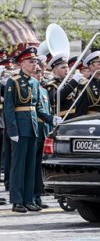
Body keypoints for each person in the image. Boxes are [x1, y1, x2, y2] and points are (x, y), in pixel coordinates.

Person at [4, 46, 57, 213]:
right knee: (18, 166)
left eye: (35, 61)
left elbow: (38, 108)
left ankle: (29, 199)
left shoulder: (35, 82)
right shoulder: (13, 81)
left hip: (33, 127)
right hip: (20, 128)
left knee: (30, 166)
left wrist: (51, 118)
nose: (34, 64)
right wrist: (12, 131)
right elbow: (9, 108)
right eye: (30, 61)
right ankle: (17, 201)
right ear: (22, 63)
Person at [32, 63, 51, 209]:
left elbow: (48, 111)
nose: (39, 74)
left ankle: (38, 195)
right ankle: (30, 196)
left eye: (40, 71)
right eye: (36, 71)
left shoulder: (44, 90)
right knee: (31, 166)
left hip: (43, 130)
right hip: (34, 129)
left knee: (40, 166)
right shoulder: (30, 88)